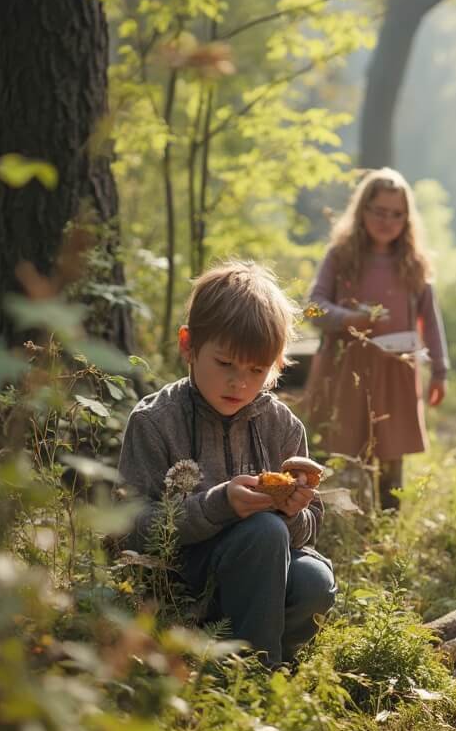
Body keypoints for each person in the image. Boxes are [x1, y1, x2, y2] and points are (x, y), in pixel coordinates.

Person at [118, 261, 336, 668]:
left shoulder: (282, 426)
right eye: (225, 364)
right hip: (185, 575)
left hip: (264, 575)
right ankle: (256, 675)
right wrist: (218, 506)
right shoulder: (154, 421)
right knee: (264, 531)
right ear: (188, 346)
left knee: (314, 582)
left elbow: (310, 530)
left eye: (256, 370)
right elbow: (130, 528)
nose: (239, 382)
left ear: (276, 365)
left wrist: (294, 510)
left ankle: (255, 649)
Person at [306, 168, 449, 510]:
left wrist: (440, 370)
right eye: (380, 212)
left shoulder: (412, 263)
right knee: (343, 449)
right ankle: (343, 519)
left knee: (391, 451)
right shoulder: (341, 257)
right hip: (345, 367)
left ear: (407, 218)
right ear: (362, 211)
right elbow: (313, 307)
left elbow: (430, 320)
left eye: (397, 214)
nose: (388, 221)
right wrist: (349, 318)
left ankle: (386, 525)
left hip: (396, 367)